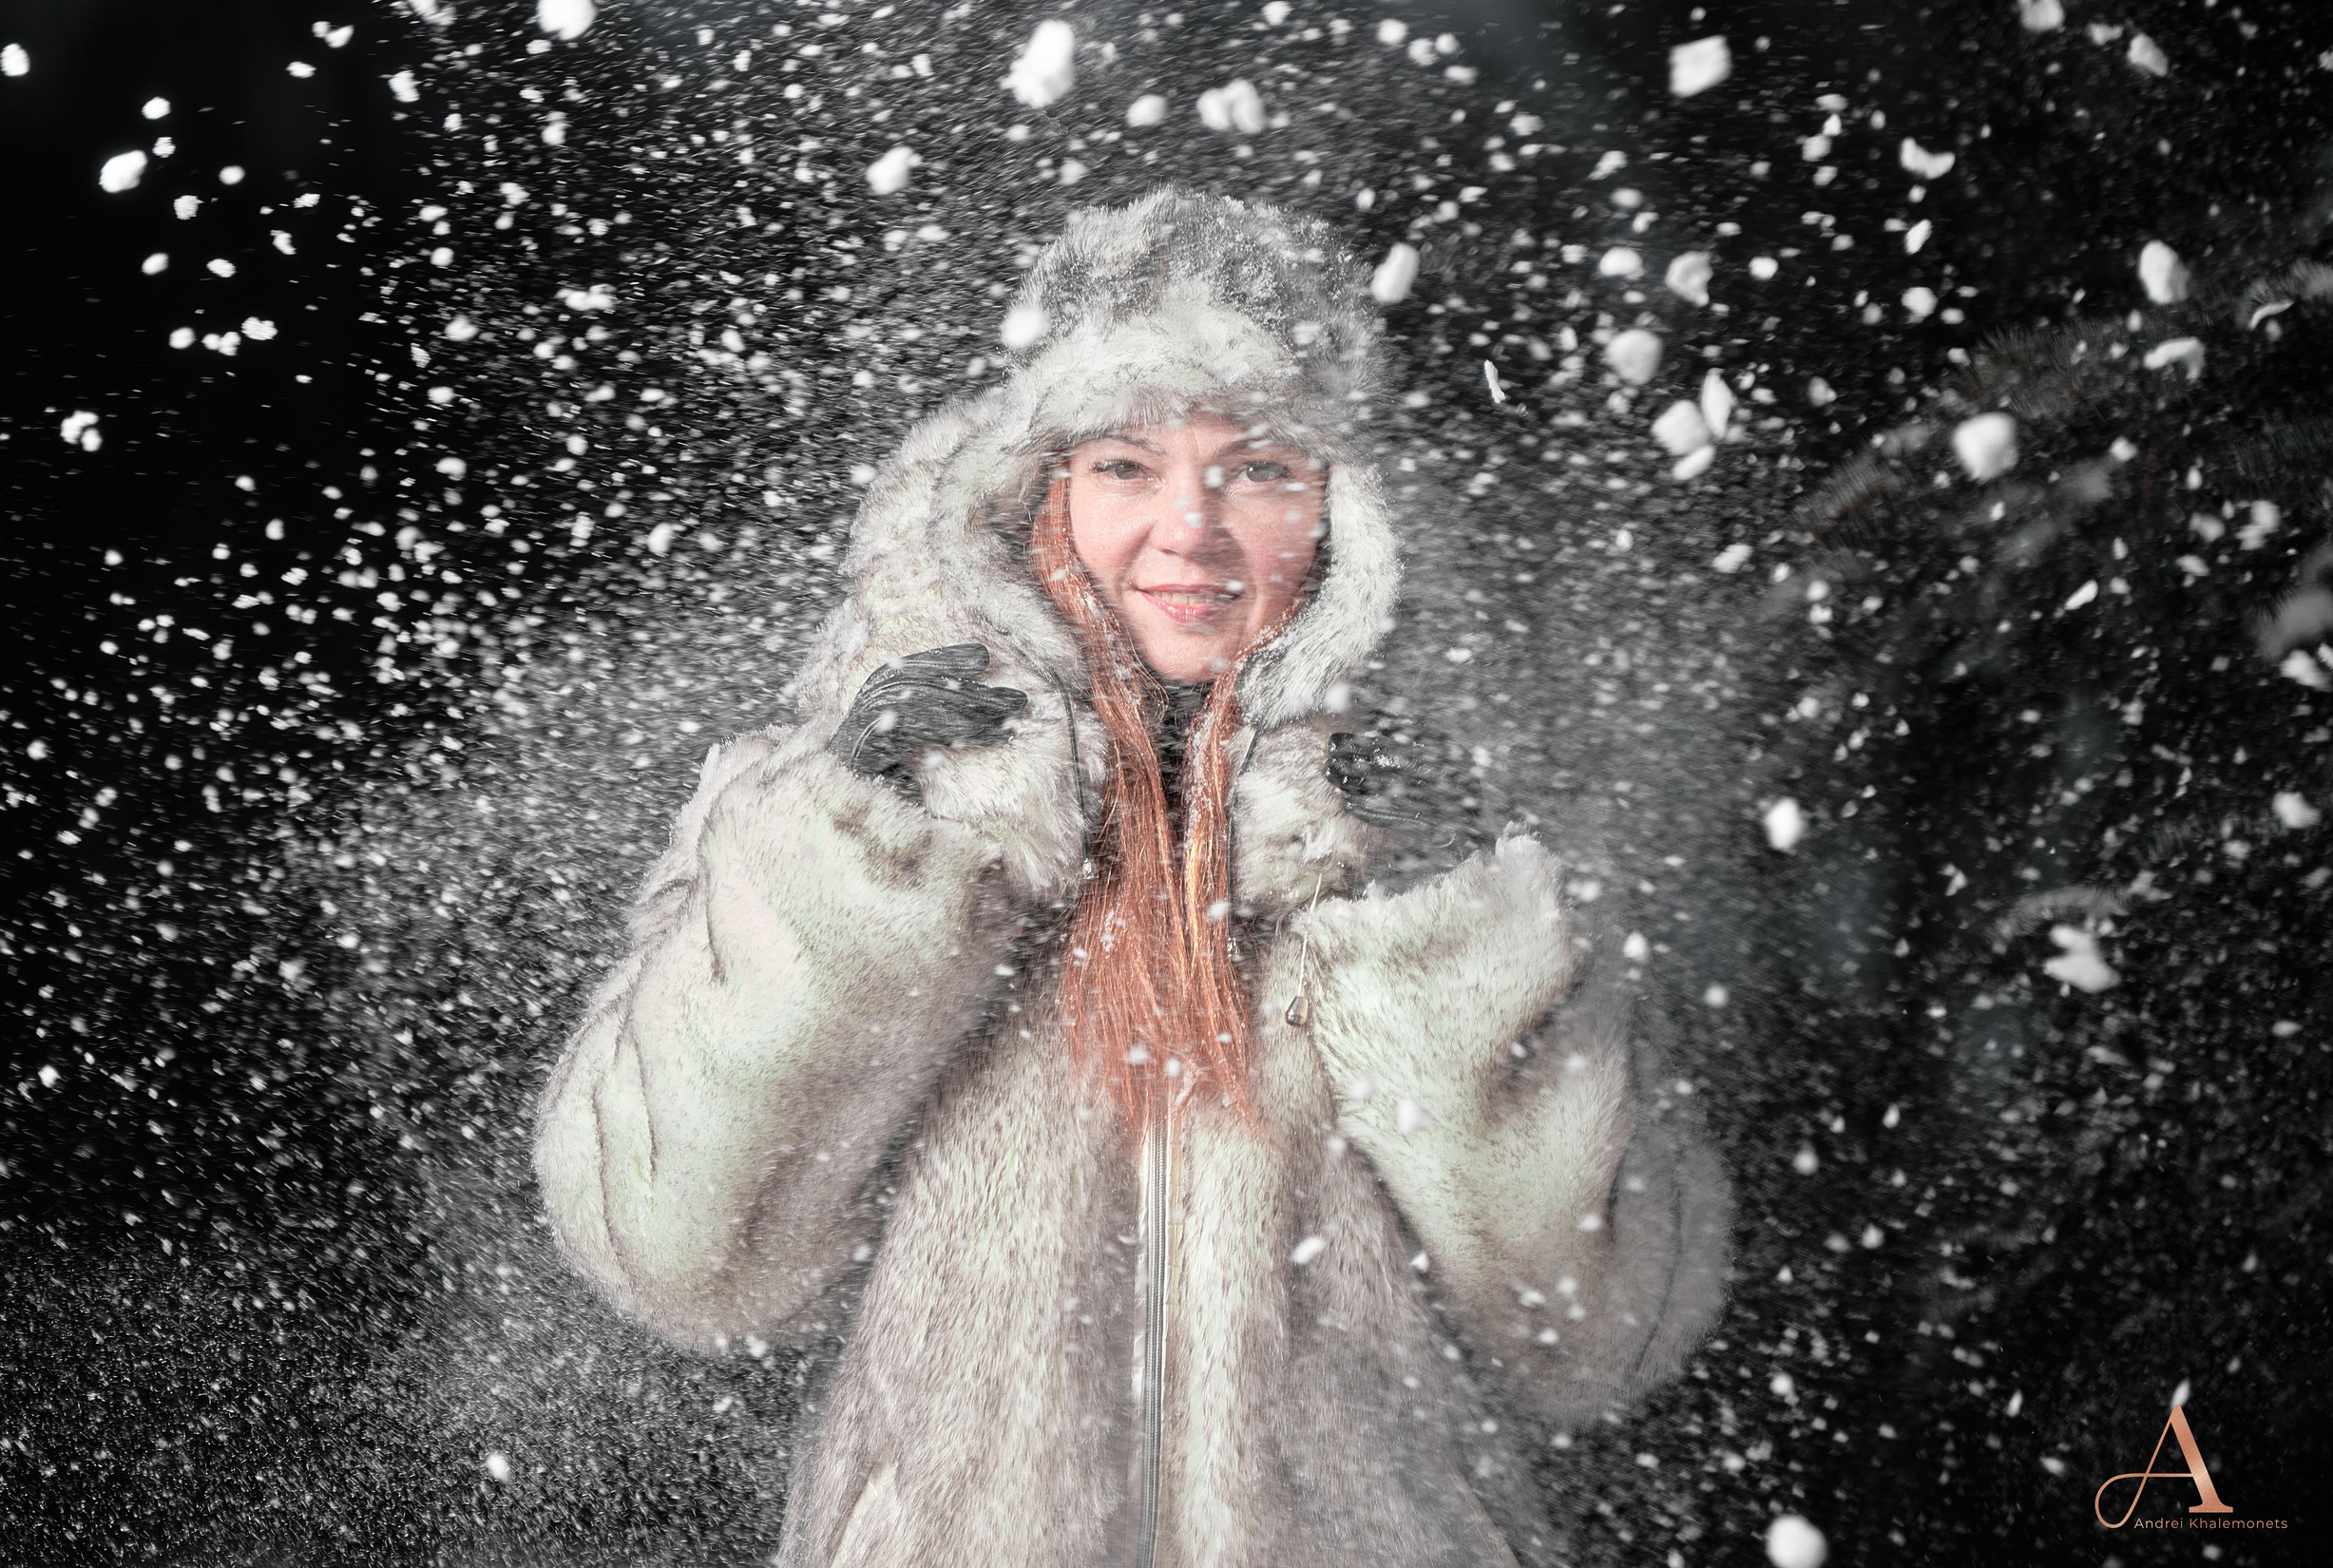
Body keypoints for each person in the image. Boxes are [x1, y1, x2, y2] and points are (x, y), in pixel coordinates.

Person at [533, 188, 1729, 1567]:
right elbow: (677, 1253)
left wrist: (1445, 936)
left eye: (1260, 468)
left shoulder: (1453, 836)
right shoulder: (847, 805)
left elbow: (1595, 1331)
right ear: (1032, 491)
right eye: (1125, 466)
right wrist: (861, 866)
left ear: (1345, 518)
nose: (1191, 528)